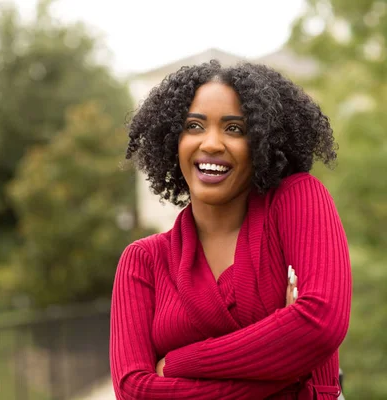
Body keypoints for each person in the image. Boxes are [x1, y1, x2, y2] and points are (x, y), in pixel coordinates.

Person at [110, 60, 351, 399]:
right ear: (172, 140)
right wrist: (288, 366)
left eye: (235, 129)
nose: (210, 143)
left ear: (264, 142)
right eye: (194, 126)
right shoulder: (143, 261)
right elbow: (135, 390)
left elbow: (320, 326)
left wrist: (179, 364)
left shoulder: (298, 201)